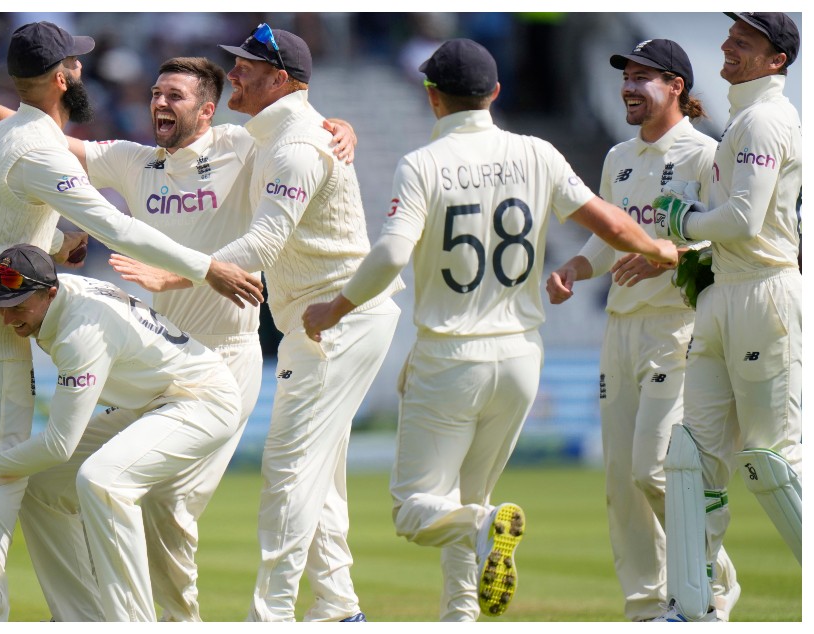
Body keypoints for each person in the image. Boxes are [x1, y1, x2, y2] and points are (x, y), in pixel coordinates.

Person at [0, 55, 357, 622]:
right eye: (156, 93)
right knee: (42, 483)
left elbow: (299, 137)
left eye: (175, 96)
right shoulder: (133, 162)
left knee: (167, 505)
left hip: (225, 358)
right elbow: (49, 144)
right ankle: (86, 618)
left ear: (207, 110)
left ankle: (184, 622)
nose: (159, 102)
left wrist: (340, 128)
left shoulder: (241, 145)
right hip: (158, 362)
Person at [302, 39, 678, 621]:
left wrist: (335, 307)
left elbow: (390, 254)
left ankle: (483, 527)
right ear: (495, 93)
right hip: (522, 357)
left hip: (451, 356)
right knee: (466, 496)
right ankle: (462, 615)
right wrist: (659, 248)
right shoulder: (538, 153)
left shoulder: (422, 164)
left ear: (432, 98)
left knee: (416, 510)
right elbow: (609, 223)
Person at [0, 244, 242, 621]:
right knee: (39, 485)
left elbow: (58, 444)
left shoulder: (80, 333)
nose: (7, 320)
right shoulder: (56, 293)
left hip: (202, 400)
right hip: (154, 400)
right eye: (3, 306)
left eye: (17, 307)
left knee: (102, 482)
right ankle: (81, 618)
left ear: (49, 293)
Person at [212, 24, 404, 622]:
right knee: (316, 469)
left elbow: (266, 242)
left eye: (247, 65)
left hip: (333, 320)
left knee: (289, 467)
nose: (234, 73)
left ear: (282, 80)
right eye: (236, 62)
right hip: (327, 320)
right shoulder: (276, 133)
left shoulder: (295, 145)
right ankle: (339, 608)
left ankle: (271, 616)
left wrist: (182, 270)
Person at [544, 39, 739, 621]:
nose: (628, 87)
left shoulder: (706, 156)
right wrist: (574, 269)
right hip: (620, 330)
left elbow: (727, 241)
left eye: (643, 77)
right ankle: (647, 609)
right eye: (626, 77)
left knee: (655, 469)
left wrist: (669, 255)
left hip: (678, 327)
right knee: (621, 482)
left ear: (677, 85)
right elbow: (607, 237)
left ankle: (713, 583)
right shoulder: (618, 157)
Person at [653, 13, 801, 622]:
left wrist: (681, 220)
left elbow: (743, 219)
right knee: (693, 458)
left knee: (774, 462)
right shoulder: (745, 116)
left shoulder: (765, 119)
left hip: (765, 293)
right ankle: (695, 606)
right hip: (724, 295)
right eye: (731, 37)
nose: (728, 46)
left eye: (746, 42)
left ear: (776, 62)